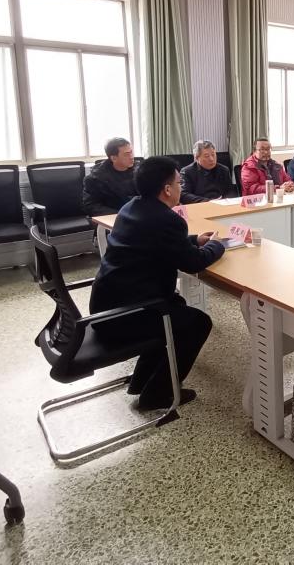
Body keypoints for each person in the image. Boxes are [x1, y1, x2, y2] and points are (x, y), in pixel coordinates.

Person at [88, 156, 224, 410]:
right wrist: (217, 245)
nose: (181, 187)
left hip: (107, 305)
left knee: (177, 307)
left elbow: (156, 241)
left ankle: (141, 381)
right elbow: (194, 263)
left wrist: (194, 240)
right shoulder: (168, 220)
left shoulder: (131, 208)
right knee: (197, 323)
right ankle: (157, 395)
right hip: (126, 315)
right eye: (179, 182)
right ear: (167, 189)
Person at [82, 137, 138, 216]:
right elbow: (91, 206)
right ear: (114, 158)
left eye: (131, 152)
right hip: (113, 217)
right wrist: (122, 214)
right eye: (126, 154)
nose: (131, 157)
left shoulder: (140, 171)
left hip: (138, 215)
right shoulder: (95, 178)